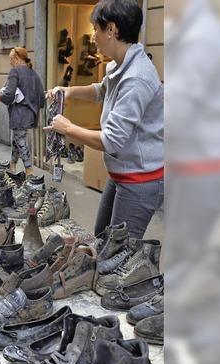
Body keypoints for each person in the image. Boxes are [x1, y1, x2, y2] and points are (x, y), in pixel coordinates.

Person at [45, 0, 163, 239]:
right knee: (102, 235)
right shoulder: (119, 66)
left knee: (118, 253)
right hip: (121, 172)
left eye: (96, 29)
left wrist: (67, 128)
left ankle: (145, 275)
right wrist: (69, 91)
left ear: (111, 30)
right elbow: (101, 90)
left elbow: (112, 140)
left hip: (139, 179)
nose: (93, 35)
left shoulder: (137, 77)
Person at [0, 47, 45, 175]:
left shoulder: (15, 72)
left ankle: (29, 171)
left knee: (21, 141)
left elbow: (9, 93)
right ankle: (12, 166)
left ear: (17, 58)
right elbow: (41, 97)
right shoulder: (34, 73)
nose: (10, 62)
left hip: (19, 114)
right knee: (17, 140)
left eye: (11, 59)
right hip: (31, 114)